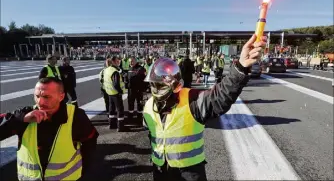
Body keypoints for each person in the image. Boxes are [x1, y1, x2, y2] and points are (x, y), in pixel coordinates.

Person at [143, 34, 266, 181]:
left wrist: (240, 67)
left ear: (174, 84)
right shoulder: (148, 106)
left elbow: (221, 96)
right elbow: (153, 136)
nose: (156, 88)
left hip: (189, 172)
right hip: (160, 171)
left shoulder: (192, 99)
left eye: (160, 85)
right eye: (154, 84)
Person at [0, 77, 99, 181]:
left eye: (46, 97)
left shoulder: (76, 116)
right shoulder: (25, 115)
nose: (40, 102)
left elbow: (90, 144)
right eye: (37, 96)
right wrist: (20, 119)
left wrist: (82, 171)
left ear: (61, 96)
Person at [103, 56, 126, 131]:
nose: (118, 62)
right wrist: (120, 91)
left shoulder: (106, 70)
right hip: (116, 93)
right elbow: (116, 84)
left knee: (111, 109)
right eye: (116, 61)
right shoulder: (114, 71)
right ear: (113, 62)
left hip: (109, 93)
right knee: (120, 110)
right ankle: (120, 127)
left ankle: (111, 124)